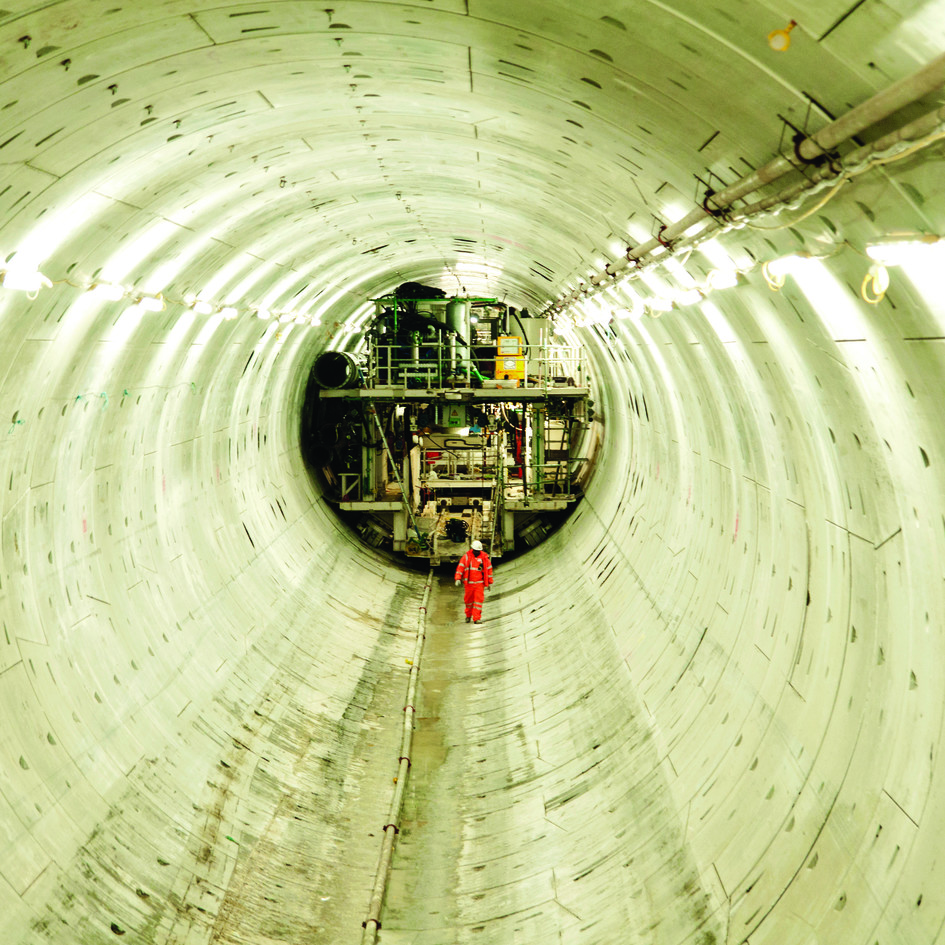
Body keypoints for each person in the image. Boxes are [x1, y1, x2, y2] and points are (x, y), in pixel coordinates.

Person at [454, 539, 494, 623]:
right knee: (468, 601)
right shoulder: (467, 557)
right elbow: (460, 568)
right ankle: (468, 616)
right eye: (475, 550)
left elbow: (489, 571)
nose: (476, 552)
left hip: (479, 584)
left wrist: (490, 582)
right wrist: (458, 578)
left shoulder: (484, 558)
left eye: (478, 551)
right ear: (472, 549)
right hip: (469, 584)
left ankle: (476, 618)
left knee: (478, 602)